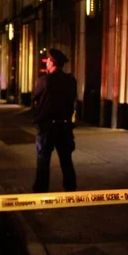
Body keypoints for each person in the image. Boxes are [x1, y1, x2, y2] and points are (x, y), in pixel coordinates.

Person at [31, 48, 78, 193]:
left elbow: (34, 98)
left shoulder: (45, 80)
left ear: (52, 62)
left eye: (48, 60)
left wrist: (38, 114)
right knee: (66, 160)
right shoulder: (71, 80)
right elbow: (72, 100)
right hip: (64, 126)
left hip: (47, 127)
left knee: (43, 159)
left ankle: (41, 189)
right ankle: (70, 188)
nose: (46, 62)